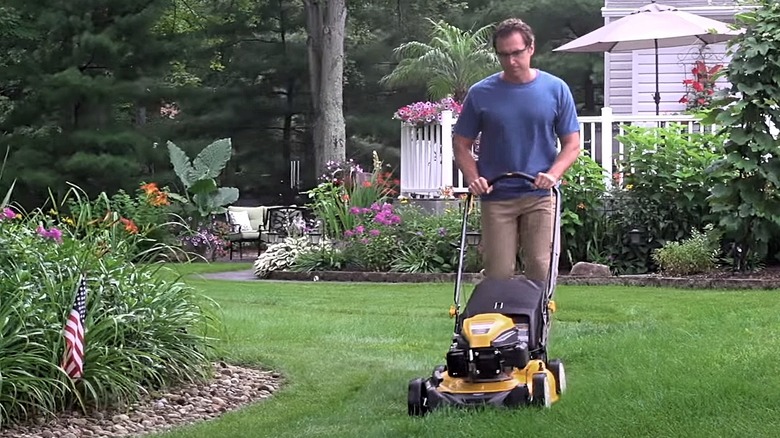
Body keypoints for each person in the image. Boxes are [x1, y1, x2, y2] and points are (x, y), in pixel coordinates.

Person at [453, 18, 581, 282]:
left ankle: (538, 323)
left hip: (540, 195)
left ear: (531, 49)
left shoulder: (555, 90)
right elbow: (461, 143)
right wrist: (473, 177)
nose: (511, 61)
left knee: (540, 268)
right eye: (503, 55)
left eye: (517, 53)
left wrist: (553, 174)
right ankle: (501, 322)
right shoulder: (481, 93)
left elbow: (572, 143)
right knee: (498, 273)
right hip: (497, 195)